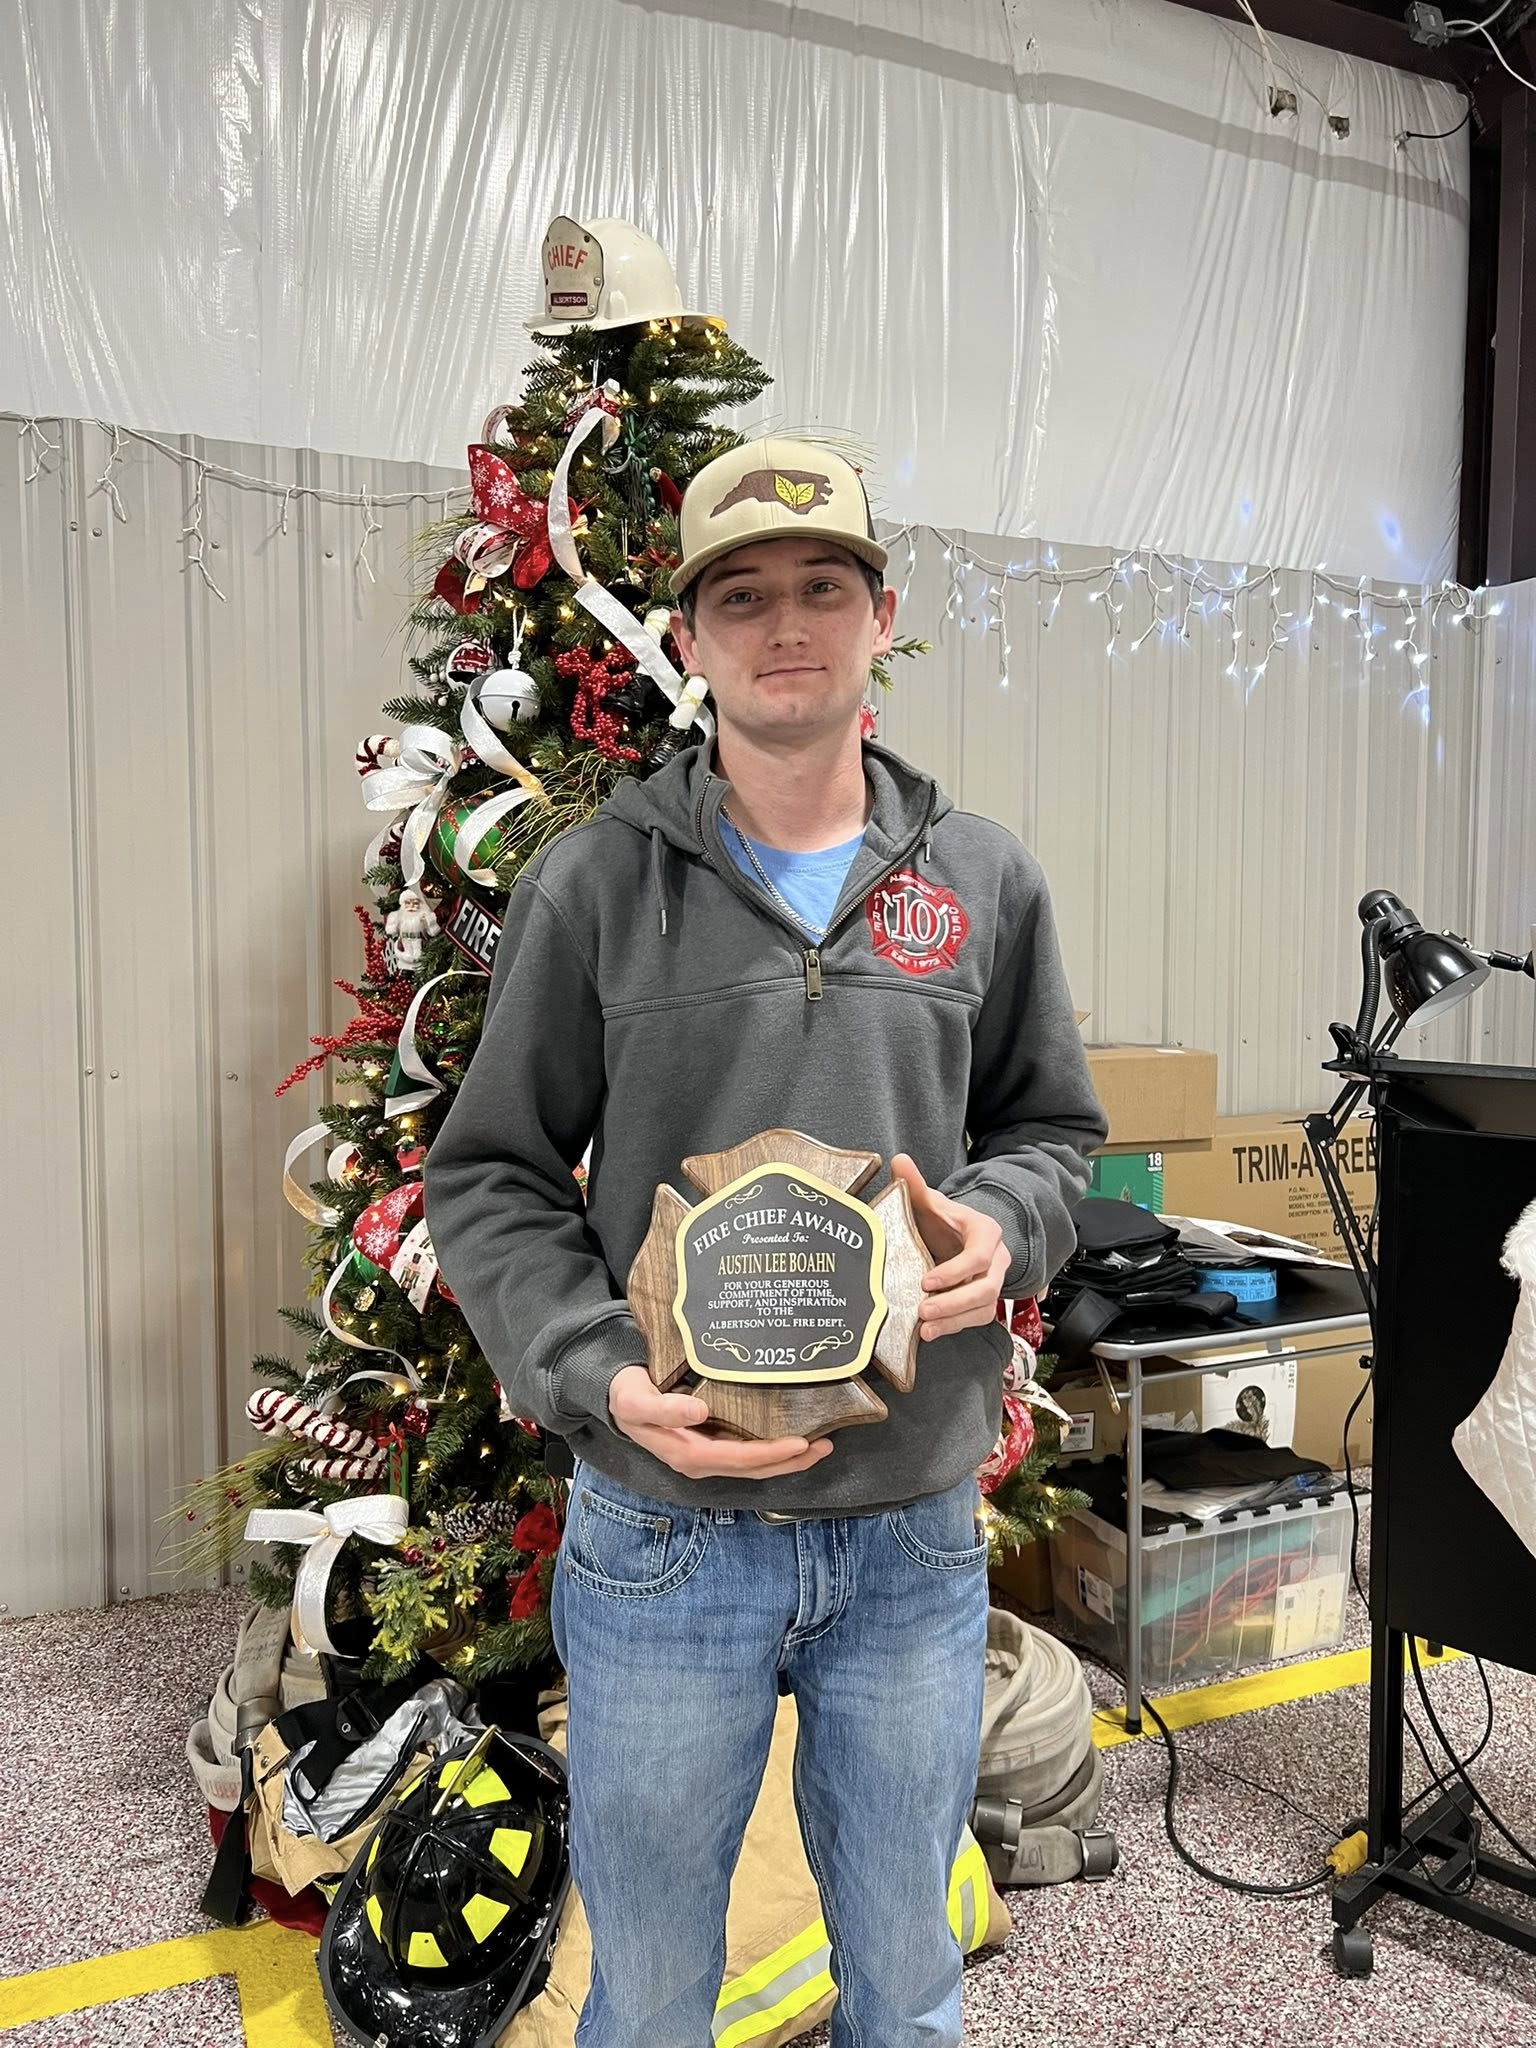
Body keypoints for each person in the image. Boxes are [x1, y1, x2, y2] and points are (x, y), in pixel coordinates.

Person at [426, 435, 1108, 2048]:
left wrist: (1006, 1225)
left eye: (823, 586)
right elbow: (493, 1172)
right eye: (740, 596)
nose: (785, 624)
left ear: (884, 618)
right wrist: (599, 1370)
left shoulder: (980, 880)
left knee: (908, 1986)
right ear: (689, 638)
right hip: (665, 1532)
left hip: (910, 1533)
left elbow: (1052, 1132)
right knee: (653, 1992)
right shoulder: (595, 885)